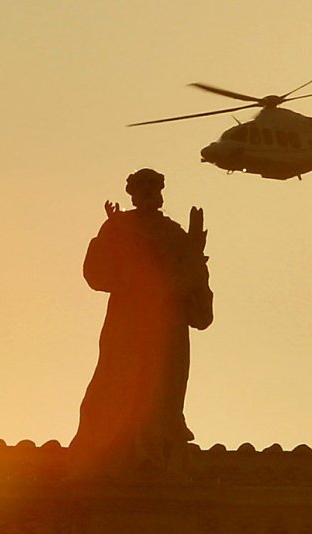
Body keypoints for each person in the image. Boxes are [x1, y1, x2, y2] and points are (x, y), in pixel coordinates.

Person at [70, 168, 213, 479]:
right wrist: (115, 243)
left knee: (163, 385)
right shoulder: (119, 228)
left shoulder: (174, 234)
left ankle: (158, 445)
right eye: (141, 187)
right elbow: (96, 272)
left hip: (167, 325)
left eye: (153, 186)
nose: (148, 192)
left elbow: (195, 291)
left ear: (160, 191)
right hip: (129, 322)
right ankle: (111, 447)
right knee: (118, 379)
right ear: (132, 193)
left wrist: (193, 251)